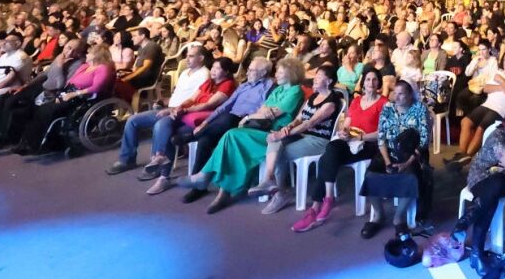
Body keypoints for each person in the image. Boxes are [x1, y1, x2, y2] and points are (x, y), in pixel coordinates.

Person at [182, 56, 306, 214]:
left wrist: (248, 117)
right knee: (231, 137)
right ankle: (218, 188)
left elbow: (273, 113)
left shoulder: (295, 91)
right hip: (263, 130)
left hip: (276, 135)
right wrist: (263, 112)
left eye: (280, 72)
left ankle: (207, 178)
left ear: (291, 73)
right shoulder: (279, 90)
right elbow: (263, 110)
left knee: (232, 136)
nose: (276, 75)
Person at [291, 67, 387, 232]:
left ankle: (317, 206)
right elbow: (347, 123)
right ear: (363, 82)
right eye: (368, 79)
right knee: (331, 150)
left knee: (326, 158)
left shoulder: (384, 103)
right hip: (350, 141)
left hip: (369, 144)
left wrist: (360, 137)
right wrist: (344, 131)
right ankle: (325, 200)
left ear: (379, 83)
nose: (371, 83)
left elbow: (383, 132)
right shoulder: (356, 101)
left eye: (374, 80)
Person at [250, 62, 343, 215]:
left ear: (329, 81)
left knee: (280, 152)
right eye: (316, 75)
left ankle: (281, 194)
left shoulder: (331, 102)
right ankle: (268, 179)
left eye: (320, 76)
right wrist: (288, 127)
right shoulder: (313, 96)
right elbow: (299, 118)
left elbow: (309, 123)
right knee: (274, 140)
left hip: (318, 140)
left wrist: (286, 133)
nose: (315, 79)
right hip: (303, 134)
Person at [105, 43, 212, 175]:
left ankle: (156, 164)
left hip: (182, 113)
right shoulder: (185, 73)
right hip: (169, 108)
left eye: (191, 56)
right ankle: (126, 159)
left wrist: (174, 108)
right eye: (187, 55)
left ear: (201, 58)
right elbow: (177, 94)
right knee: (132, 120)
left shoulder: (204, 74)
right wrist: (164, 101)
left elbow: (195, 99)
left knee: (159, 124)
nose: (187, 59)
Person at [455, 107, 505, 263]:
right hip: (480, 176)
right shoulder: (498, 136)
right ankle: (476, 252)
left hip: (504, 179)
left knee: (496, 187)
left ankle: (469, 219)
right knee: (490, 198)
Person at [12, 45, 115, 155]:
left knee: (46, 111)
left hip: (84, 98)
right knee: (39, 109)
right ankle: (29, 142)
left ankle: (35, 144)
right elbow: (70, 82)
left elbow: (96, 88)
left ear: (96, 55)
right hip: (69, 93)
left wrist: (73, 94)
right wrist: (61, 95)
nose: (87, 54)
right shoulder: (85, 66)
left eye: (89, 53)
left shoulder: (103, 68)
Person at [359, 79, 430, 238]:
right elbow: (381, 138)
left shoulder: (419, 109)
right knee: (370, 176)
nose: (396, 97)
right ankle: (378, 215)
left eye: (401, 94)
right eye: (395, 93)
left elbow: (424, 141)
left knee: (411, 178)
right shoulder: (388, 108)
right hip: (388, 152)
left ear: (410, 95)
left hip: (410, 154)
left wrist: (407, 162)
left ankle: (399, 218)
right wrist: (387, 161)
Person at [452, 49, 505, 163]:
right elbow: (486, 88)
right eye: (504, 60)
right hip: (488, 105)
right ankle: (461, 155)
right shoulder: (499, 72)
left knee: (481, 128)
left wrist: (500, 80)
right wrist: (502, 87)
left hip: (502, 110)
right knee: (465, 121)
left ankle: (465, 158)